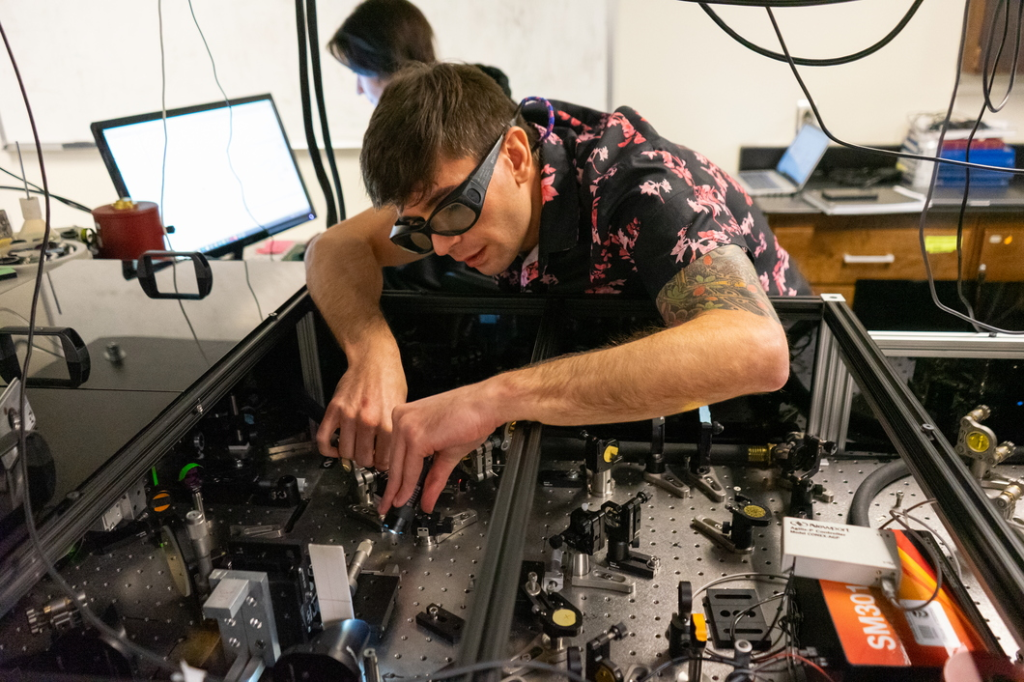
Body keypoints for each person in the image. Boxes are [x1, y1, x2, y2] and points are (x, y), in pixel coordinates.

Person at [305, 63, 810, 516]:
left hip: (774, 404)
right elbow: (332, 247)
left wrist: (494, 399)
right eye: (415, 229)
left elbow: (756, 350)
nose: (439, 246)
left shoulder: (640, 186)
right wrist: (371, 352)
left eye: (454, 211)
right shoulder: (465, 178)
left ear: (517, 156)